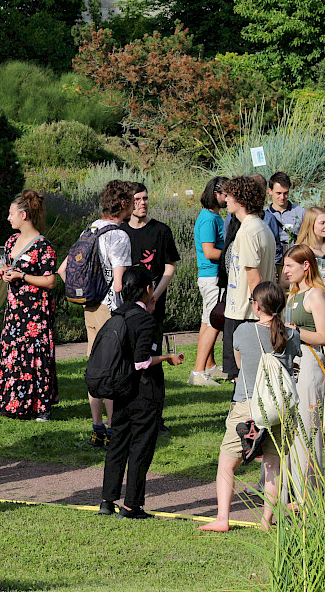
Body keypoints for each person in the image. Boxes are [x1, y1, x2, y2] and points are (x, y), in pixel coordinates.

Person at [199, 281, 301, 532]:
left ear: (256, 306)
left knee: (227, 463)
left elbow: (240, 364)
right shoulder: (292, 334)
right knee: (273, 464)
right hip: (280, 408)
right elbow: (293, 363)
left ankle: (223, 518)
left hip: (248, 405)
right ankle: (267, 520)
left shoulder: (243, 331)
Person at [98, 267, 183, 519]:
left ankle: (107, 500)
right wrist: (167, 357)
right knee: (140, 447)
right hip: (144, 391)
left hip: (120, 390)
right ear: (148, 290)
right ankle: (132, 504)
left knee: (118, 444)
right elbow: (142, 361)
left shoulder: (117, 315)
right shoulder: (146, 320)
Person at [57, 180, 133, 447]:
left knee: (95, 367)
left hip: (90, 305)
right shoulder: (119, 236)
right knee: (112, 368)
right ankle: (115, 430)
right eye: (132, 201)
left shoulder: (90, 229)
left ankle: (97, 427)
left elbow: (63, 270)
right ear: (123, 204)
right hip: (110, 307)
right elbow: (121, 283)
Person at [0, 190, 58, 421]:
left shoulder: (43, 246)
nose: (8, 218)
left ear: (24, 215)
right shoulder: (11, 242)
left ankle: (41, 406)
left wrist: (21, 277)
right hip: (15, 311)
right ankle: (13, 402)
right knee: (14, 353)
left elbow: (50, 280)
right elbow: (11, 267)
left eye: (11, 213)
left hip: (35, 312)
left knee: (36, 355)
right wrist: (5, 272)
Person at [122, 182, 180, 433]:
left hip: (153, 307)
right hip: (126, 309)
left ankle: (156, 419)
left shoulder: (161, 230)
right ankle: (127, 415)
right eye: (137, 199)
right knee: (128, 362)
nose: (143, 203)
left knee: (153, 364)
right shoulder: (120, 231)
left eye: (145, 198)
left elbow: (169, 267)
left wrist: (153, 296)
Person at [282, 244, 325, 501]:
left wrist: (294, 332)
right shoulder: (291, 296)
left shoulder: (316, 295)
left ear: (306, 265)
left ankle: (309, 492)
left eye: (290, 265)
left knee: (306, 427)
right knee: (288, 426)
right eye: (285, 265)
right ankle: (286, 488)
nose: (285, 270)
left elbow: (323, 336)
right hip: (290, 365)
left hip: (310, 363)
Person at [221, 176, 276, 380]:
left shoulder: (248, 231)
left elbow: (255, 279)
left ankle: (245, 412)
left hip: (245, 313)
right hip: (248, 311)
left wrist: (262, 314)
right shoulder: (262, 227)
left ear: (240, 199)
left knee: (243, 376)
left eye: (229, 195)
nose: (225, 199)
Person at [192, 176, 228, 386]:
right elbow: (208, 251)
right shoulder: (208, 219)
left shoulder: (213, 217)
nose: (228, 198)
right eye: (226, 194)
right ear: (217, 194)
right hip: (211, 276)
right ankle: (198, 372)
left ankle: (209, 366)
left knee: (208, 320)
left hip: (212, 276)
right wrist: (233, 253)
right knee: (214, 321)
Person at [268, 172, 304, 247]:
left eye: (285, 193)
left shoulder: (301, 212)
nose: (282, 197)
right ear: (270, 191)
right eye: (278, 193)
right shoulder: (265, 215)